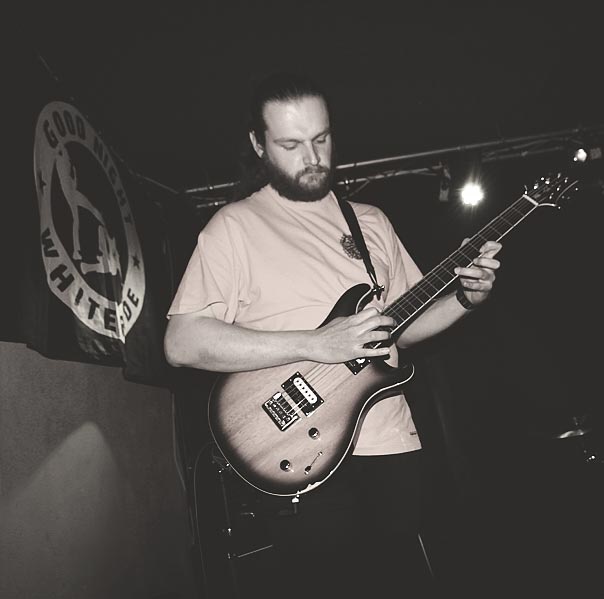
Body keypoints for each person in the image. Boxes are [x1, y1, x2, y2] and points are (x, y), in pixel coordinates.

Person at [163, 72, 501, 596]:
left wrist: (463, 300)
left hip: (388, 440)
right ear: (258, 145)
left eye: (320, 139)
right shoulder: (234, 227)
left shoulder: (370, 221)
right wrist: (316, 343)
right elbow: (182, 343)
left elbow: (402, 329)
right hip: (295, 444)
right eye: (291, 144)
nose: (312, 157)